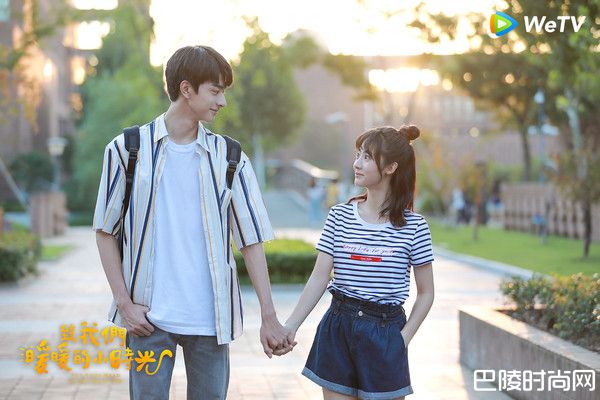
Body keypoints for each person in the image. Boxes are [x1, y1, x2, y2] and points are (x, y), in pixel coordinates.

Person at [93, 45, 292, 400]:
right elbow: (105, 231)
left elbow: (250, 241)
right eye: (215, 91)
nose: (222, 102)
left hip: (210, 320)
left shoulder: (230, 157)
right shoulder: (127, 149)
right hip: (148, 320)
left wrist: (269, 316)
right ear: (186, 89)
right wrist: (124, 303)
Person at [278, 125, 435, 399]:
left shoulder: (415, 227)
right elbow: (319, 277)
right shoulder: (339, 216)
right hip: (338, 327)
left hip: (385, 333)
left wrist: (402, 339)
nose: (357, 164)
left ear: (391, 167)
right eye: (358, 155)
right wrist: (290, 325)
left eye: (367, 157)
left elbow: (426, 293)